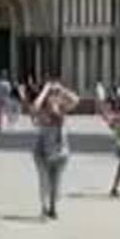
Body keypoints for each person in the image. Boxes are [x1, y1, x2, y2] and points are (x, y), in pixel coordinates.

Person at [28, 78, 78, 220]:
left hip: (61, 151)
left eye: (55, 99)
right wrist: (45, 90)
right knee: (44, 180)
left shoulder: (62, 109)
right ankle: (44, 209)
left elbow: (75, 100)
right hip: (42, 152)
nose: (53, 103)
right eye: (51, 99)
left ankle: (53, 208)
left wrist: (61, 89)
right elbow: (34, 107)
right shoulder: (43, 113)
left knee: (56, 184)